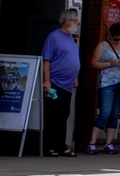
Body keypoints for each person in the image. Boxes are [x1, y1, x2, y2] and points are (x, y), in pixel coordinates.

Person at [40, 8, 82, 157]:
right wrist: (47, 80)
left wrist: (75, 77)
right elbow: (47, 60)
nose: (78, 22)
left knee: (64, 115)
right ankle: (49, 145)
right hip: (55, 82)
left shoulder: (71, 37)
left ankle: (61, 145)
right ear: (67, 21)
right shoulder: (54, 37)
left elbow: (72, 59)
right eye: (76, 20)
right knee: (53, 115)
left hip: (68, 84)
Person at [87, 23, 120, 154]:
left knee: (115, 114)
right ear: (110, 36)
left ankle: (109, 143)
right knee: (105, 112)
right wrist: (109, 63)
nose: (118, 41)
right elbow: (94, 63)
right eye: (116, 39)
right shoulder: (103, 46)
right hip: (106, 83)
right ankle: (92, 143)